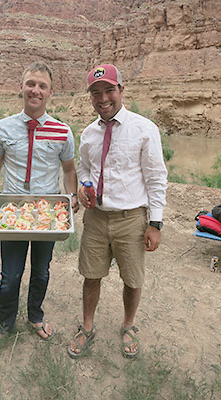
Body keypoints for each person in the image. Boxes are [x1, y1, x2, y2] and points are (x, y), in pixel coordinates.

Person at [0, 62, 79, 355]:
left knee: (41, 272)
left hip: (47, 215)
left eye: (42, 86)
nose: (36, 90)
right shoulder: (3, 127)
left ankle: (35, 316)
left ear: (51, 93)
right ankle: (3, 325)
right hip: (13, 213)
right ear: (21, 87)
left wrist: (72, 199)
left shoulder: (62, 131)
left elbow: (69, 170)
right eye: (31, 83)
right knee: (10, 275)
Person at [68, 64, 168, 359]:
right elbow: (85, 167)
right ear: (90, 97)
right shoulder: (88, 134)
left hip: (131, 220)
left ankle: (128, 325)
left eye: (109, 90)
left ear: (121, 90)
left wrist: (155, 223)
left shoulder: (144, 129)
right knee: (91, 275)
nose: (103, 98)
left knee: (133, 279)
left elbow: (156, 178)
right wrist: (84, 187)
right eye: (96, 93)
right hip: (96, 218)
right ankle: (87, 327)